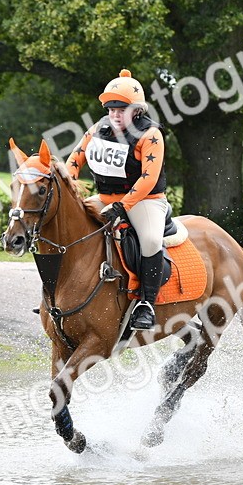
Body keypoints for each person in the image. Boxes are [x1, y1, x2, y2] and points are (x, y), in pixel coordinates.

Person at [66, 69, 169, 329]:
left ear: (136, 110)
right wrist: (69, 186)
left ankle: (146, 303)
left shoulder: (150, 135)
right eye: (111, 109)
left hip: (144, 200)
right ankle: (62, 294)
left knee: (151, 239)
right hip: (105, 198)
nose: (114, 114)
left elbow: (148, 177)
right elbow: (74, 159)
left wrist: (123, 206)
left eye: (120, 109)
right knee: (69, 226)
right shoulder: (98, 128)